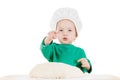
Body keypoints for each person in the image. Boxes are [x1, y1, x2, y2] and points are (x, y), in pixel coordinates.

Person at [40, 7, 92, 73]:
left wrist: (87, 65)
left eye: (69, 30)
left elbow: (85, 68)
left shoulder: (79, 51)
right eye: (61, 30)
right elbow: (45, 48)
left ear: (76, 35)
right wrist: (49, 38)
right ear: (56, 32)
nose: (65, 33)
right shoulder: (54, 49)